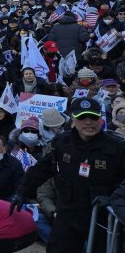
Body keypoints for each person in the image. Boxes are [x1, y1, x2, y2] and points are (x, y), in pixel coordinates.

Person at [10, 97, 125, 253]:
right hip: (68, 213)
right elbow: (42, 168)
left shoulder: (117, 147)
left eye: (93, 117)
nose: (88, 122)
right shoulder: (62, 142)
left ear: (100, 119)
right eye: (82, 117)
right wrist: (22, 191)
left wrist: (113, 198)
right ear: (73, 120)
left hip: (101, 216)